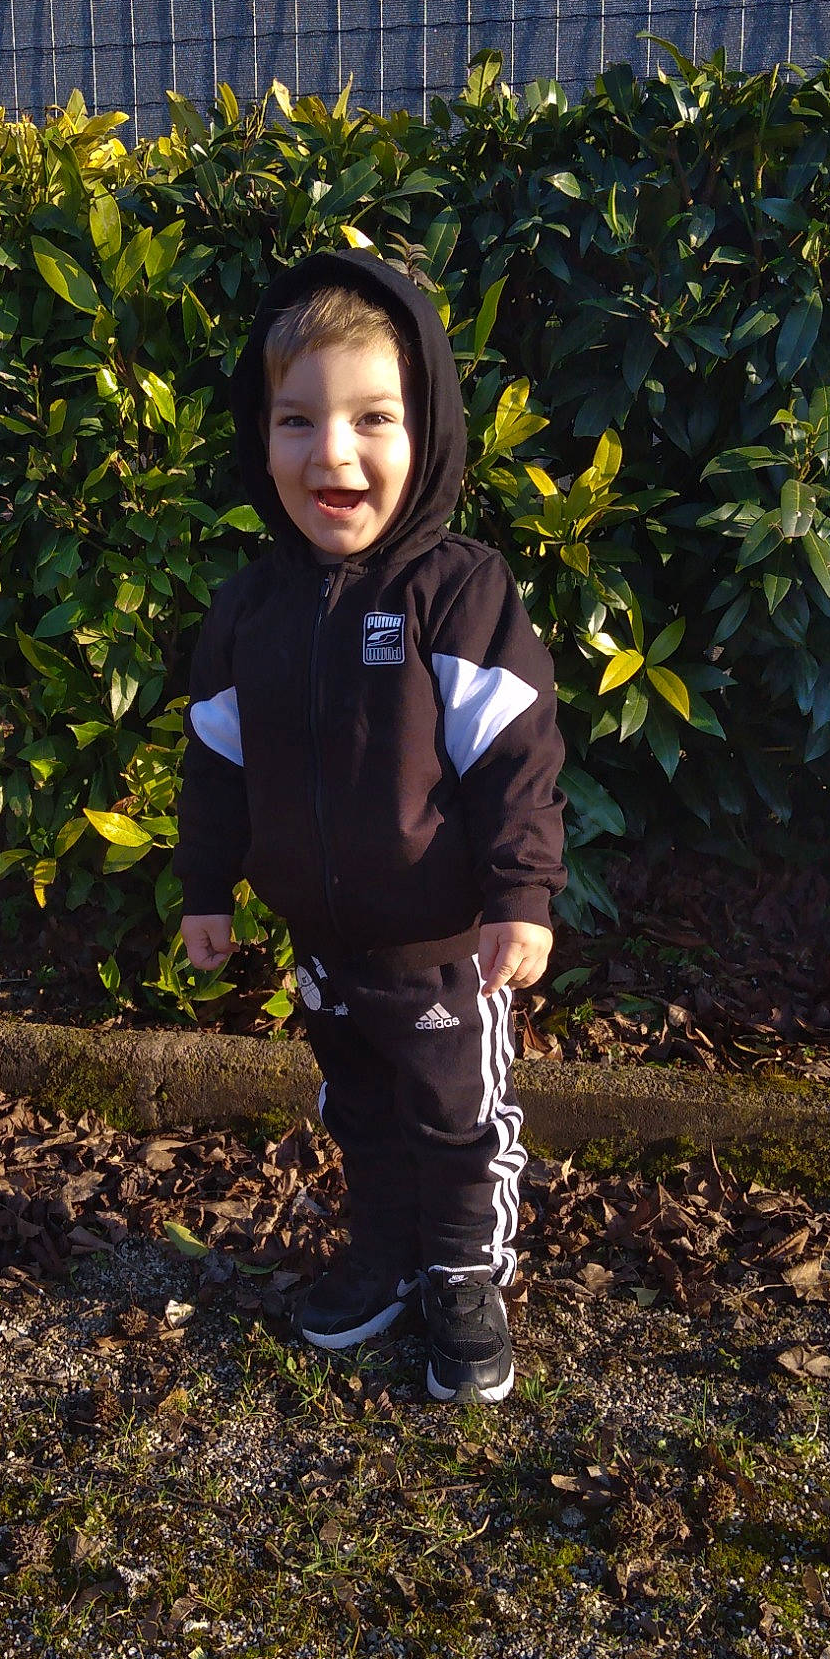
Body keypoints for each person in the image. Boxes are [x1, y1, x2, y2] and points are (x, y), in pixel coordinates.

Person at [174, 249, 566, 1403]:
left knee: (454, 1117)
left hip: (445, 943)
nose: (332, 453)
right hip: (324, 949)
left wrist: (520, 894)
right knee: (360, 1109)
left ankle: (464, 1273)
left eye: (371, 418)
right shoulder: (250, 609)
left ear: (429, 428)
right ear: (262, 436)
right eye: (297, 420)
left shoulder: (458, 590)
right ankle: (391, 1254)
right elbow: (216, 761)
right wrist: (207, 888)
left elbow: (518, 755)